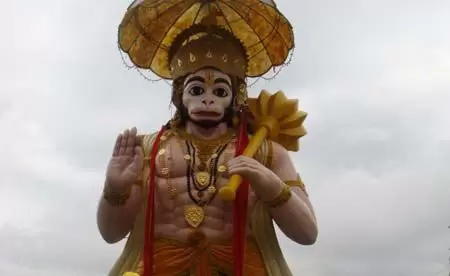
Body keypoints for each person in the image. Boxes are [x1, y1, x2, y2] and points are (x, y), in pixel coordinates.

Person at [97, 24, 318, 276]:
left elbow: (307, 233)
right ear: (179, 96)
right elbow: (111, 233)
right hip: (161, 266)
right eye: (197, 90)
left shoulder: (267, 153)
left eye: (220, 91)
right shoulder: (146, 150)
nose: (208, 99)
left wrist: (270, 184)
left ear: (235, 98)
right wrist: (115, 189)